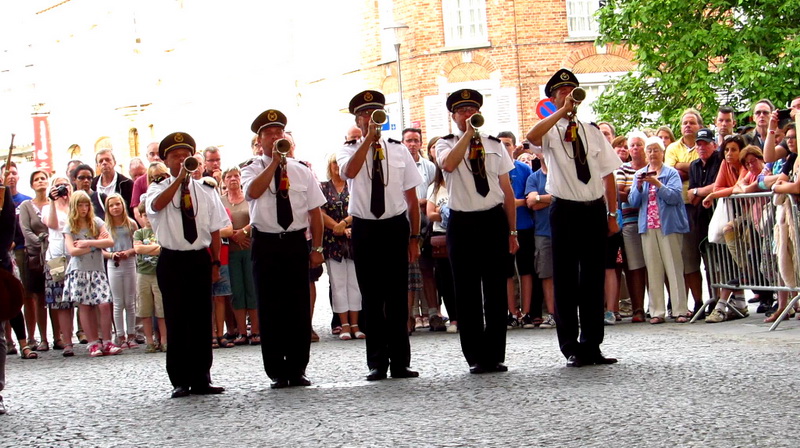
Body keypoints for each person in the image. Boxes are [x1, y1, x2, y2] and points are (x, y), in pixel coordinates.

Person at [525, 69, 620, 368]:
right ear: (552, 98)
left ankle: (593, 345)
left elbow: (608, 175)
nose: (569, 95)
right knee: (565, 280)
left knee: (592, 279)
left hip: (592, 209)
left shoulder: (591, 130)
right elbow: (531, 137)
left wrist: (612, 213)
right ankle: (570, 347)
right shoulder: (550, 130)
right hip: (564, 209)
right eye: (562, 91)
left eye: (572, 91)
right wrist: (559, 114)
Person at [337, 90, 422, 381]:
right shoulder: (349, 149)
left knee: (398, 297)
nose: (370, 119)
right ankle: (376, 362)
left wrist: (414, 238)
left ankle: (400, 361)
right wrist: (368, 141)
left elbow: (411, 198)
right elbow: (349, 171)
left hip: (395, 226)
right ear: (358, 121)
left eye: (375, 114)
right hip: (365, 227)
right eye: (364, 115)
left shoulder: (398, 150)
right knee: (371, 298)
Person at [242, 109, 324, 388]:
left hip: (295, 242)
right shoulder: (251, 168)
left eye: (280, 133)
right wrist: (274, 164)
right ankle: (277, 369)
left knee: (298, 307)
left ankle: (298, 367)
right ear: (260, 140)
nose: (276, 138)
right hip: (265, 242)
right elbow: (252, 192)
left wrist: (318, 247)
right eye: (269, 134)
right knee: (270, 307)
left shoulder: (302, 170)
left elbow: (315, 212)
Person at [437, 88, 518, 373]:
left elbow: (506, 190)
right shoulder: (445, 144)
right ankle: (474, 356)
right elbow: (448, 164)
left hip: (493, 220)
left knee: (496, 291)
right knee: (467, 292)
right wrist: (467, 136)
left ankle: (495, 354)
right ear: (453, 117)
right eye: (462, 111)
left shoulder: (495, 144)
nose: (468, 115)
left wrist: (512, 232)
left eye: (472, 110)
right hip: (463, 222)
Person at [146, 132, 230, 398]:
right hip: (172, 259)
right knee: (177, 319)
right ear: (166, 161)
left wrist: (215, 262)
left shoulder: (206, 189)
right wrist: (180, 180)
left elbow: (216, 229)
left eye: (186, 156)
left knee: (201, 321)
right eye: (176, 157)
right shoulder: (157, 187)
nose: (182, 161)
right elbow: (157, 206)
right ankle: (180, 379)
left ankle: (202, 377)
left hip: (198, 258)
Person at [628, 137, 690, 324]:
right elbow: (633, 201)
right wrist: (639, 186)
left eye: (656, 150)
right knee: (653, 268)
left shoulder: (671, 173)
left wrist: (657, 184)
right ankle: (657, 311)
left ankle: (680, 309)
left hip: (668, 226)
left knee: (674, 266)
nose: (653, 153)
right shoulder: (640, 174)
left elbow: (674, 197)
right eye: (650, 150)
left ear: (662, 153)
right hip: (648, 226)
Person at [62, 191, 120, 356]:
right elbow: (72, 250)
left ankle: (108, 340)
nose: (84, 208)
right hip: (79, 270)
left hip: (97, 269)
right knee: (85, 306)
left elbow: (109, 241)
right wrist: (96, 244)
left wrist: (89, 243)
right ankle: (93, 342)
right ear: (74, 206)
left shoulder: (96, 221)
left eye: (86, 205)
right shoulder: (70, 226)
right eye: (80, 205)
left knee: (104, 304)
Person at [320, 153, 363, 340]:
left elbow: (359, 207)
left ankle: (356, 324)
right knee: (338, 284)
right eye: (334, 164)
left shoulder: (354, 185)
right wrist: (336, 226)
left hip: (353, 238)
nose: (337, 167)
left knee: (355, 283)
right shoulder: (322, 187)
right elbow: (318, 212)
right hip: (332, 240)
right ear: (329, 166)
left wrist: (345, 224)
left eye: (340, 164)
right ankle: (343, 324)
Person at [403, 127, 442, 331]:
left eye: (416, 140)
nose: (412, 144)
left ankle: (433, 313)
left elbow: (436, 192)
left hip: (426, 223)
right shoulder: (398, 165)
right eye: (408, 140)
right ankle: (408, 316)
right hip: (404, 222)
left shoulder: (429, 167)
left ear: (420, 143)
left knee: (427, 270)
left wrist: (423, 203)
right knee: (408, 272)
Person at [19, 170, 62, 351]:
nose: (40, 182)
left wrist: (53, 241)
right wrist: (41, 240)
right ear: (31, 185)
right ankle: (42, 338)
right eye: (36, 179)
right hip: (35, 256)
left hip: (55, 255)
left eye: (43, 178)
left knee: (56, 296)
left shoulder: (54, 203)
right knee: (38, 296)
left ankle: (58, 337)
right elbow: (26, 230)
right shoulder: (26, 206)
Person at [497, 131, 535, 329]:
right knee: (506, 272)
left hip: (525, 225)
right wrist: (516, 203)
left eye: (508, 144)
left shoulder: (523, 169)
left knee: (526, 269)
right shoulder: (493, 169)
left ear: (514, 147)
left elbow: (530, 199)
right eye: (501, 144)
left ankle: (527, 312)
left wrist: (514, 203)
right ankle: (512, 312)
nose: (504, 147)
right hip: (501, 227)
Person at [220, 166, 258, 348]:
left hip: (249, 248)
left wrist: (243, 232)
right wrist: (233, 234)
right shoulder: (220, 202)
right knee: (237, 291)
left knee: (252, 288)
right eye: (229, 176)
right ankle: (241, 331)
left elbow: (257, 218)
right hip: (231, 252)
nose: (233, 179)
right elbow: (217, 224)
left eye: (236, 175)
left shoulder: (250, 199)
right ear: (224, 180)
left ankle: (256, 330)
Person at [615, 131, 649, 322]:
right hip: (630, 222)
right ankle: (638, 308)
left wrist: (631, 190)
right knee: (634, 267)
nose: (635, 148)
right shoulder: (623, 169)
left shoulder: (654, 167)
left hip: (652, 221)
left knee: (654, 265)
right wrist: (637, 187)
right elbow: (619, 194)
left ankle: (656, 306)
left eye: (639, 144)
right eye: (632, 145)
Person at [42, 176, 77, 357]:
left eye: (65, 186)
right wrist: (52, 200)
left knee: (77, 298)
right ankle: (67, 341)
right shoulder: (47, 208)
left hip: (75, 257)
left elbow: (79, 222)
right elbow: (52, 224)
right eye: (58, 186)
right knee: (61, 301)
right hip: (56, 259)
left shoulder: (75, 204)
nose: (62, 189)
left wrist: (70, 199)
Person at [103, 194, 139, 348]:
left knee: (130, 301)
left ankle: (132, 334)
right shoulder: (105, 227)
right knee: (118, 302)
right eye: (111, 205)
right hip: (113, 263)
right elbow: (101, 250)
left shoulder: (131, 224)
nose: (115, 208)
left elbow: (138, 245)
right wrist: (111, 255)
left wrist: (130, 252)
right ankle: (120, 335)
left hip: (129, 262)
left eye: (118, 204)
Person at [524, 156, 557, 329]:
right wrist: (554, 198)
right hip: (542, 232)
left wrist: (540, 198)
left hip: (564, 231)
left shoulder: (560, 173)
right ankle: (552, 314)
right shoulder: (534, 178)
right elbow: (531, 203)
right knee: (546, 274)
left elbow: (567, 198)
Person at [426, 162, 458, 333]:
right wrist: (446, 212)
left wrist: (446, 212)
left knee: (464, 278)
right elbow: (430, 214)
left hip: (461, 235)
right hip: (442, 237)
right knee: (445, 281)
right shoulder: (435, 187)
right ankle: (453, 318)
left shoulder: (460, 183)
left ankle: (467, 316)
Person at [133, 201, 167, 353]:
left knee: (161, 310)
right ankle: (149, 340)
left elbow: (164, 248)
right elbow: (138, 248)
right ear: (141, 216)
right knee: (145, 310)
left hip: (159, 273)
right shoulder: (139, 233)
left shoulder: (162, 230)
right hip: (143, 274)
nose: (147, 218)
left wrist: (151, 249)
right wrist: (155, 248)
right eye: (144, 215)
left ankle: (164, 340)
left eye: (149, 215)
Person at [91, 149, 134, 218]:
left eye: (107, 160)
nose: (104, 163)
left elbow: (132, 210)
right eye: (101, 161)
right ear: (97, 165)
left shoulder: (126, 183)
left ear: (114, 162)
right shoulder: (92, 184)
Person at [131, 142, 162, 227]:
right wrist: (149, 229)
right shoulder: (139, 182)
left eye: (159, 154)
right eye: (152, 154)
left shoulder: (172, 178)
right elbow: (137, 211)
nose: (156, 157)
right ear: (147, 157)